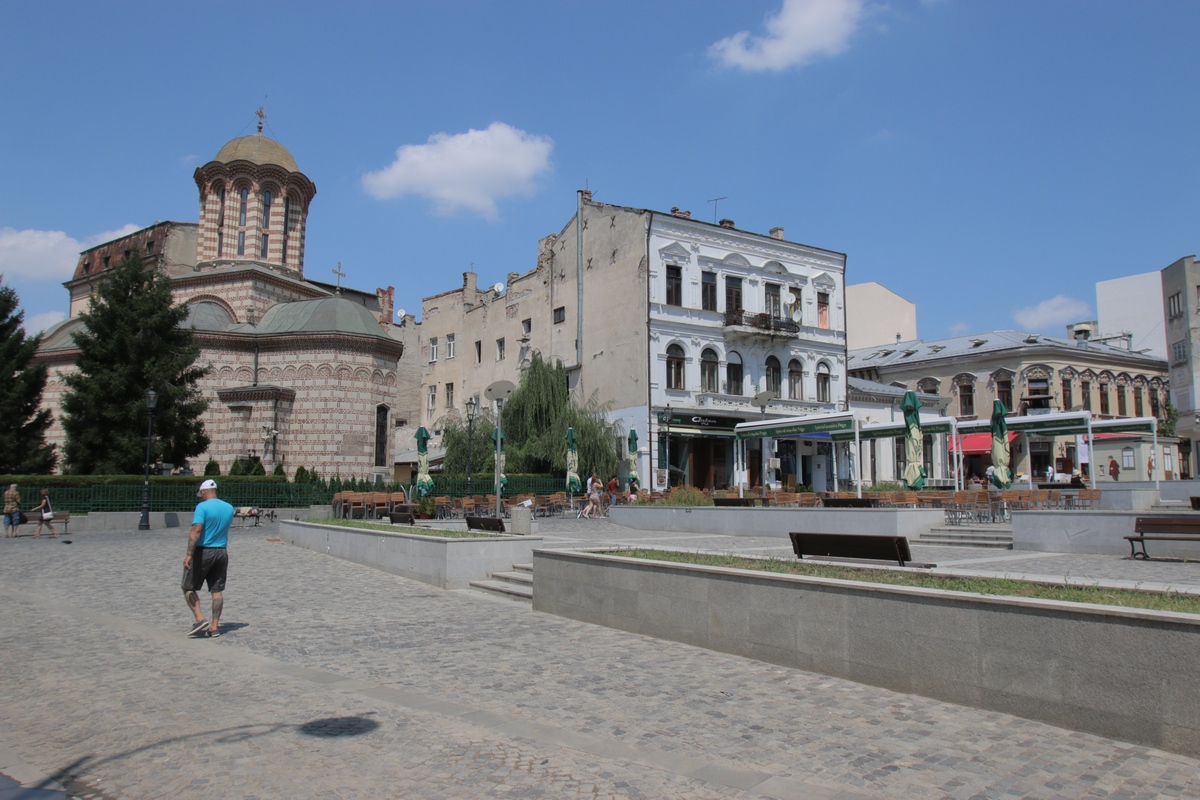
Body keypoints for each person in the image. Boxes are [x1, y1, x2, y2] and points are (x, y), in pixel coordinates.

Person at [182, 479, 235, 638]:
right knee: (216, 590)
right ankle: (214, 626)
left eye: (201, 495)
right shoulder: (228, 508)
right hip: (222, 552)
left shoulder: (202, 507)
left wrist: (189, 554)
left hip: (204, 551)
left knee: (188, 586)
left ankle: (199, 619)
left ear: (204, 493)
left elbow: (196, 530)